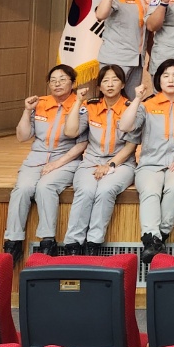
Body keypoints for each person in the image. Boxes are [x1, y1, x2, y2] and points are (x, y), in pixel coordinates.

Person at [118, 58, 174, 264]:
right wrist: (137, 99)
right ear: (158, 80)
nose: (170, 80)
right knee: (150, 190)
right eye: (166, 76)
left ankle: (157, 237)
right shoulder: (148, 104)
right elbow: (125, 126)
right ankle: (153, 239)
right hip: (150, 164)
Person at [1, 64, 88, 262]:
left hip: (66, 159)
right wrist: (27, 111)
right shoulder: (40, 103)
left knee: (45, 186)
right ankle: (13, 240)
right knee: (22, 189)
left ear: (73, 83)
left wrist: (57, 164)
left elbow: (81, 143)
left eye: (63, 79)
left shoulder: (82, 106)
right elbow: (22, 136)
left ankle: (48, 240)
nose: (57, 84)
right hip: (37, 158)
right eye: (53, 80)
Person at [60, 65, 136, 255]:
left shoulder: (130, 108)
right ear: (99, 86)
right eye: (105, 81)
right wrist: (78, 101)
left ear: (123, 84)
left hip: (121, 164)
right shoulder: (90, 106)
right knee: (85, 191)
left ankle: (94, 242)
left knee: (105, 190)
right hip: (91, 163)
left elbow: (130, 146)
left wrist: (109, 165)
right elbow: (70, 131)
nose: (110, 84)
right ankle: (73, 243)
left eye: (115, 80)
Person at [93, 0, 154, 99]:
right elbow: (100, 15)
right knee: (111, 100)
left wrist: (151, 56)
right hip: (115, 59)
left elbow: (149, 30)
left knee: (131, 101)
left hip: (137, 60)